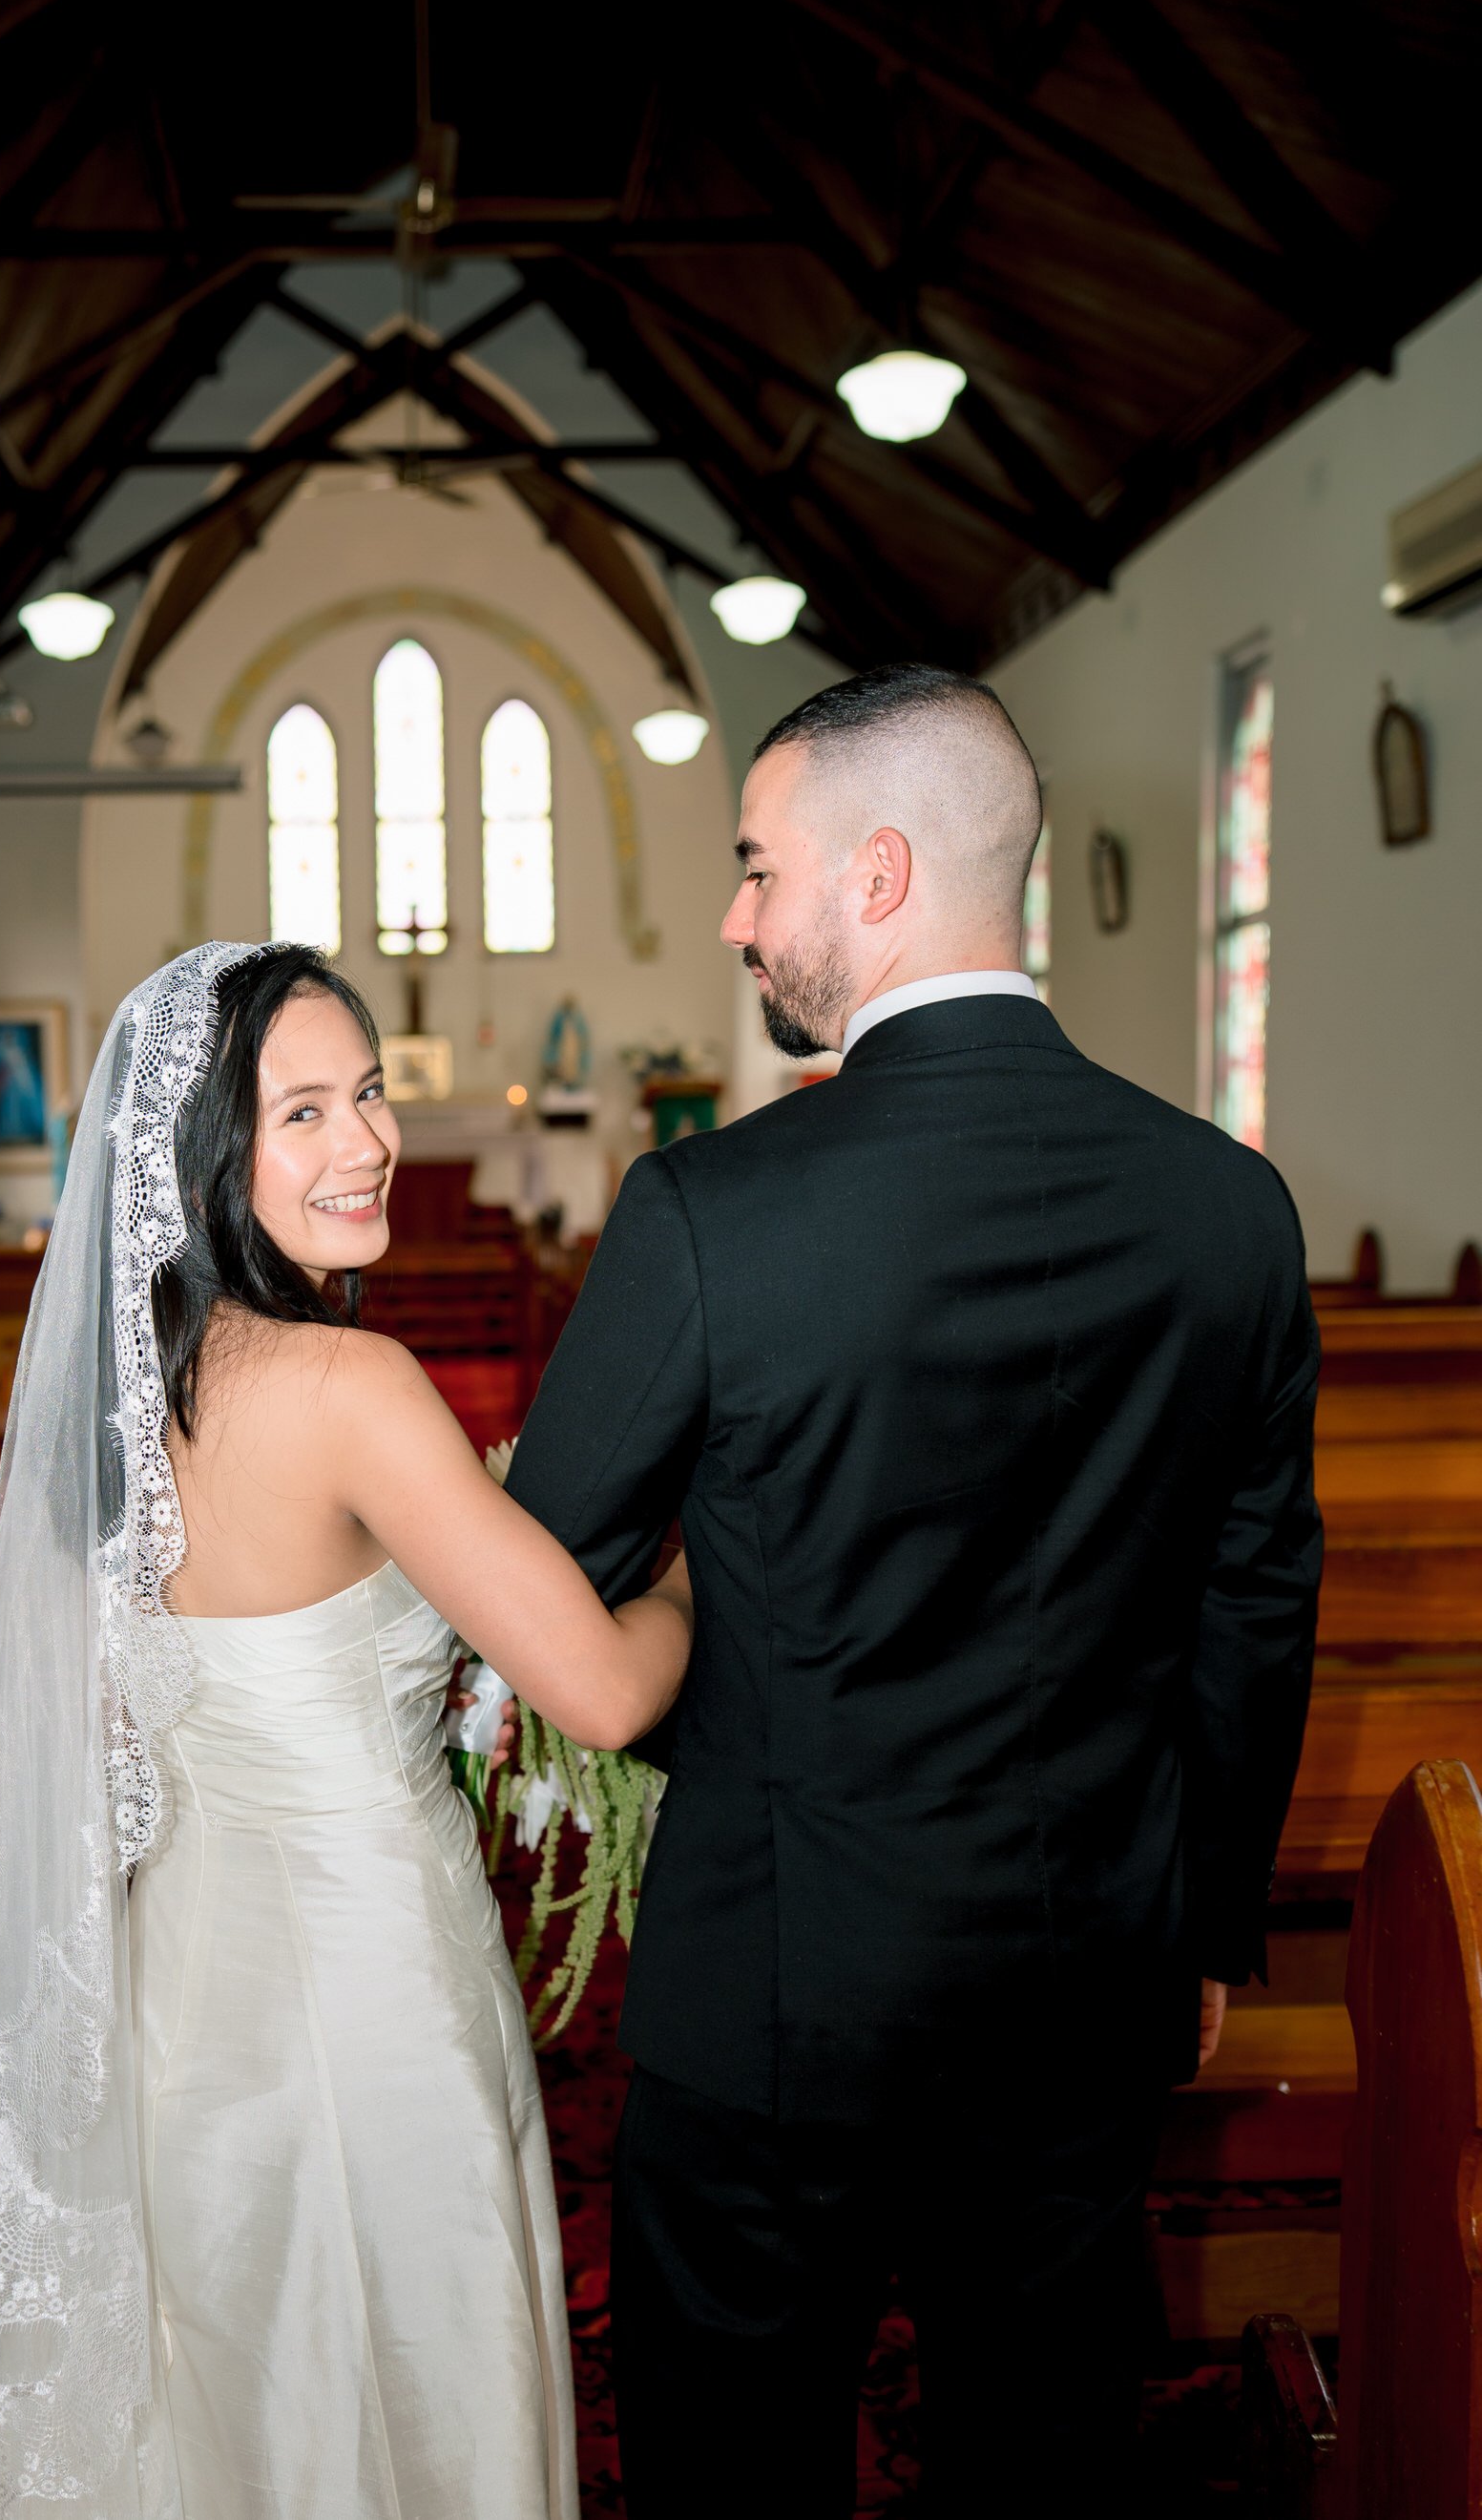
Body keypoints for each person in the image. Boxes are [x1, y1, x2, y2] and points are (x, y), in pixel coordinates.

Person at [507, 663, 1323, 2519]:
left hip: (782, 1984)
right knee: (1043, 2456)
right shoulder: (1224, 1205)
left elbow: (556, 1559)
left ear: (876, 876)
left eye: (753, 867)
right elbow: (1255, 1595)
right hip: (1090, 1971)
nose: (734, 915)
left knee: (738, 2469)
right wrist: (1197, 1922)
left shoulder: (712, 1210)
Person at [0, 941, 692, 2520]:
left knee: (233, 2391)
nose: (366, 1140)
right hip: (376, 1985)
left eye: (368, 1092)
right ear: (204, 1157)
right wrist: (704, 1578)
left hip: (177, 1994)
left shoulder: (124, 1415)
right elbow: (604, 1687)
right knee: (400, 2378)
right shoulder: (348, 1387)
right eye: (300, 1111)